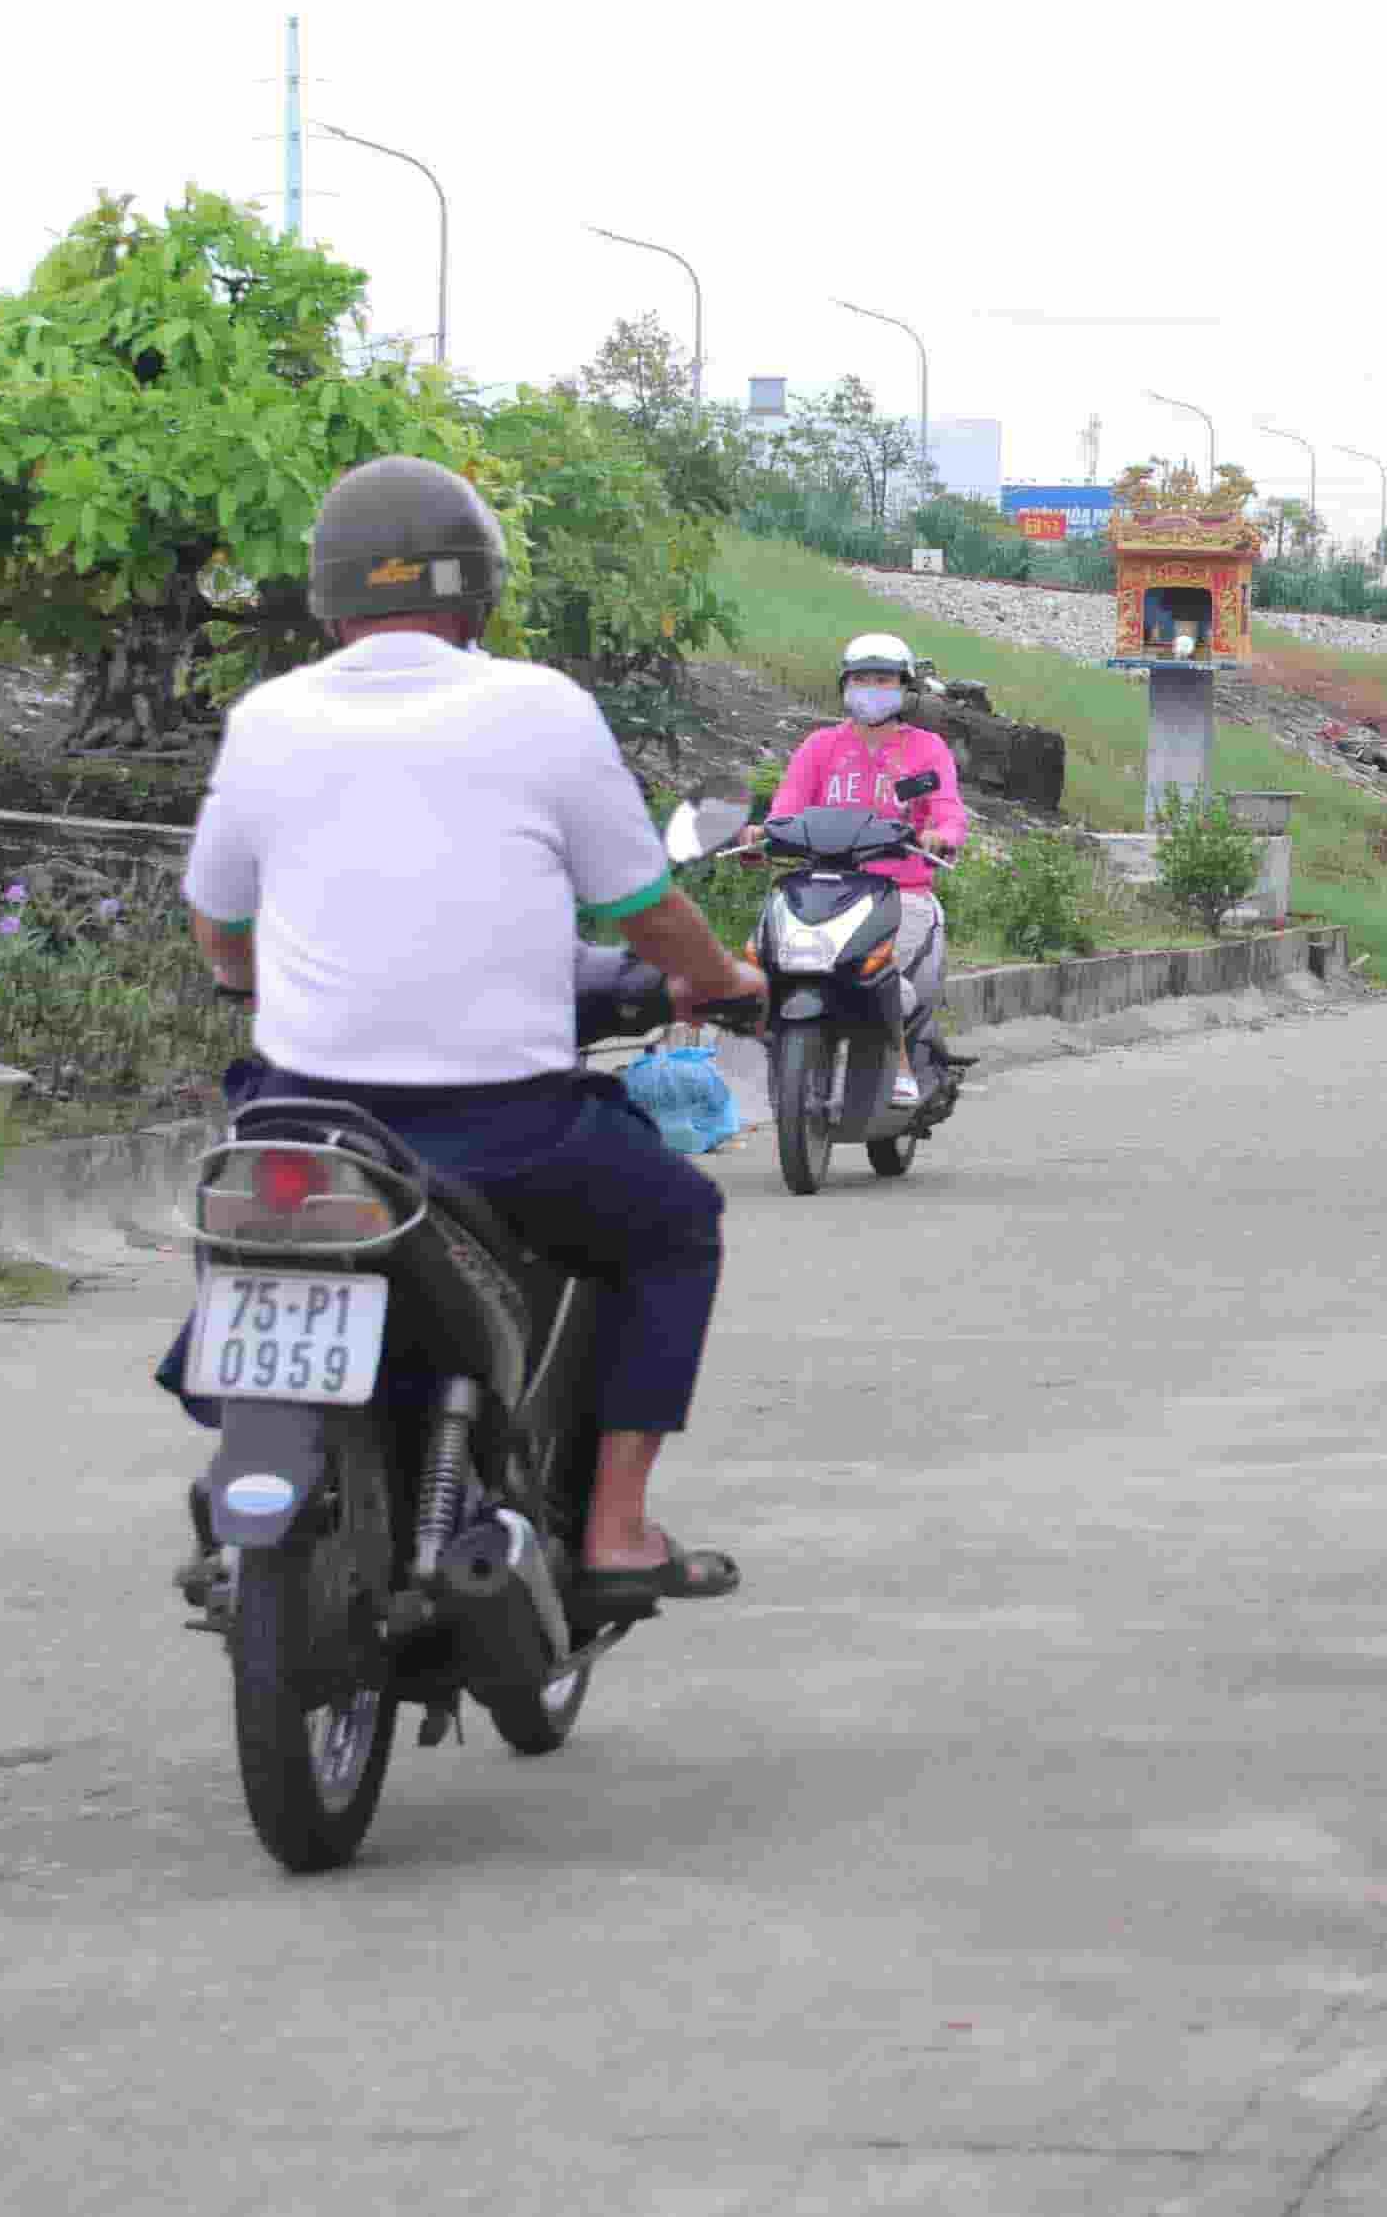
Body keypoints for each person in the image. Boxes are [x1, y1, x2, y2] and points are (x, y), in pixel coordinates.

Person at [175, 455, 767, 1604]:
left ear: (329, 596)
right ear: (480, 592)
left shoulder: (268, 718)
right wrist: (723, 979)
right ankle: (615, 1531)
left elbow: (219, 922)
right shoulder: (539, 709)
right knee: (676, 1224)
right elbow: (643, 911)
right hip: (502, 1132)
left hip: (304, 1120)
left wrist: (249, 981)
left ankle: (245, 1460)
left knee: (246, 1234)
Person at [765, 632, 969, 1111]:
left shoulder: (927, 750)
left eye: (883, 680)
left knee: (882, 971)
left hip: (900, 890)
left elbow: (948, 812)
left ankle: (899, 1063)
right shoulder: (820, 747)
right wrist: (762, 833)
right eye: (861, 679)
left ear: (904, 690)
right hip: (825, 886)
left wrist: (941, 835)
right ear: (844, 685)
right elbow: (786, 810)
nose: (871, 689)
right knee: (769, 958)